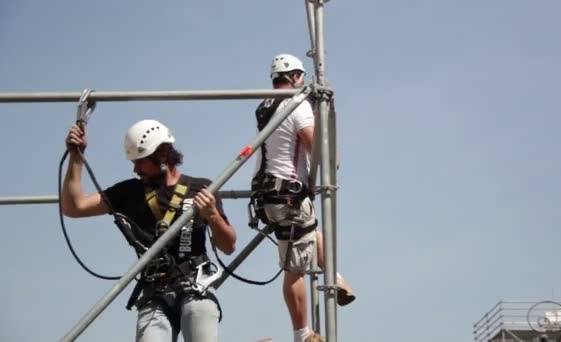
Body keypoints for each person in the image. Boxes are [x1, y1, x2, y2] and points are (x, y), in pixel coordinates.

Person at [62, 119, 236, 342]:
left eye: (141, 162)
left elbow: (228, 245)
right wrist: (76, 157)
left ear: (162, 155)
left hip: (195, 286)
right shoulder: (129, 192)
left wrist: (212, 215)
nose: (135, 169)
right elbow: (74, 207)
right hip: (155, 292)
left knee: (198, 313)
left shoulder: (200, 188)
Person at [250, 54, 355, 342]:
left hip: (268, 193)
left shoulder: (265, 106)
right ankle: (303, 335)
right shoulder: (297, 105)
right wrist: (332, 157)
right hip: (288, 194)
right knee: (294, 266)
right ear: (296, 77)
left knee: (310, 233)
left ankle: (335, 277)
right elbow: (316, 148)